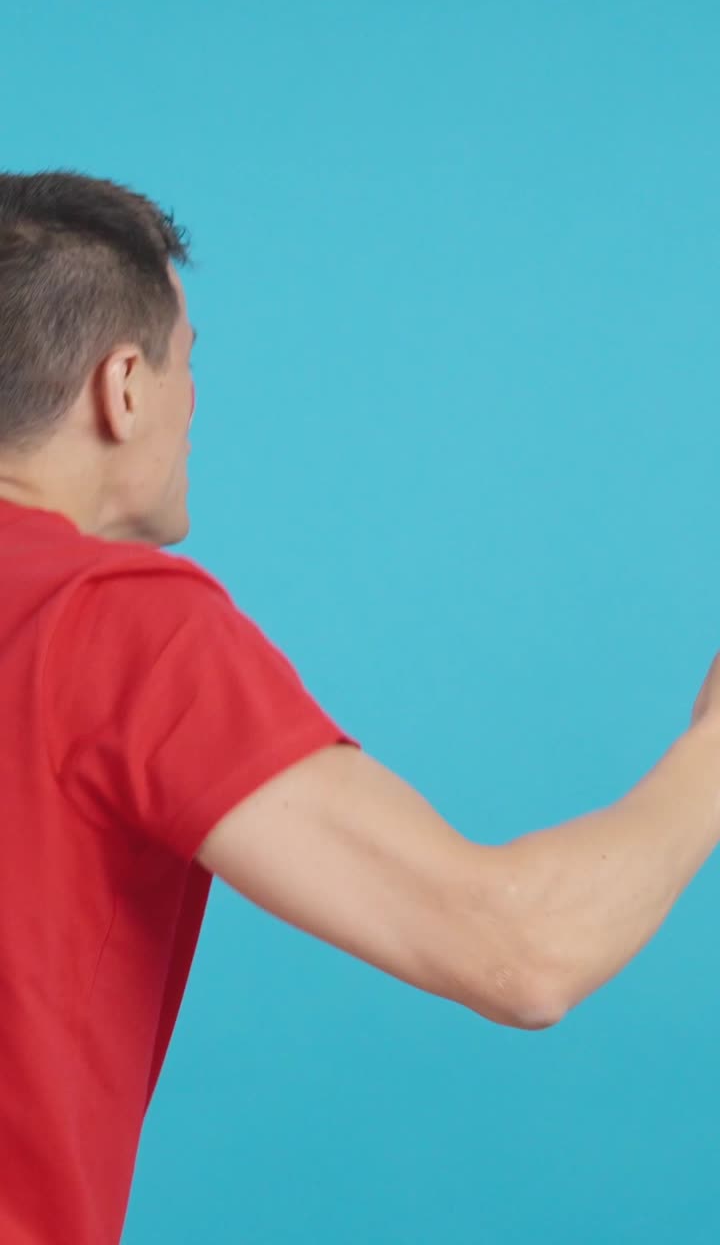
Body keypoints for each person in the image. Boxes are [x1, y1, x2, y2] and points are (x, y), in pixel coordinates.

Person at [0, 168, 717, 1245]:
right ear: (126, 385)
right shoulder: (113, 625)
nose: (196, 403)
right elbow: (521, 949)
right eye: (189, 362)